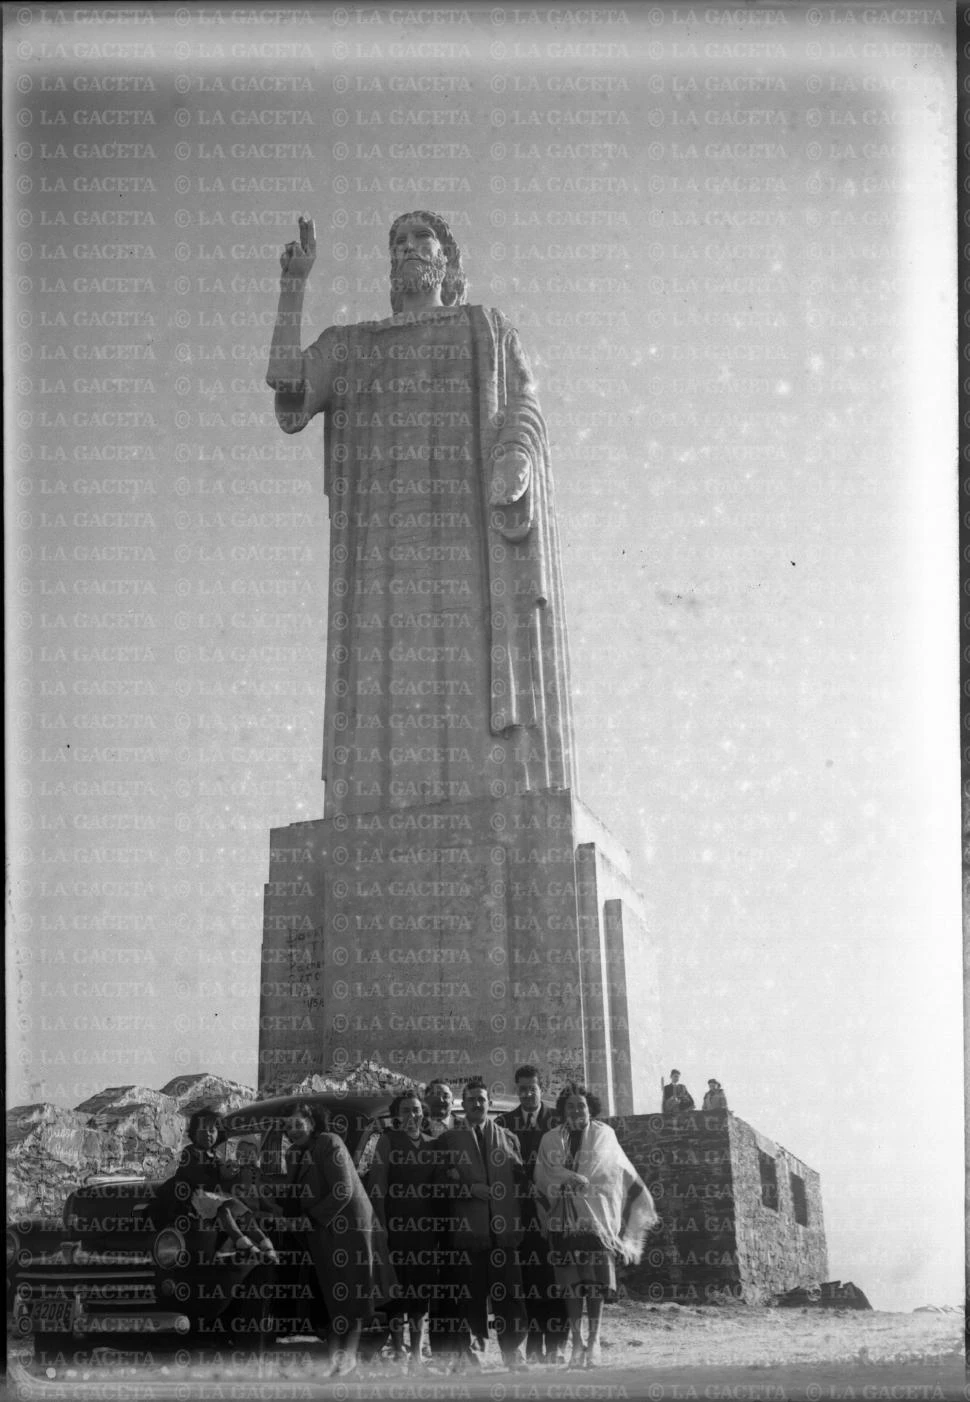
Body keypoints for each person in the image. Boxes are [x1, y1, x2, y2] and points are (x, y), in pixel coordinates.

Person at [266, 211, 576, 817]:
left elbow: (524, 399)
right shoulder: (353, 347)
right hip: (381, 550)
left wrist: (515, 454)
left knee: (473, 662)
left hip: (469, 537)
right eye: (398, 241)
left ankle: (497, 795)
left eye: (421, 238)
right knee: (389, 675)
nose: (409, 248)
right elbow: (285, 379)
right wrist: (294, 284)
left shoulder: (485, 329)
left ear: (447, 260)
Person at [534, 1084, 657, 1371]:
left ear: (590, 1108)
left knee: (594, 1284)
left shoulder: (605, 1135)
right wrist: (567, 1178)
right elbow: (542, 1174)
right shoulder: (550, 1139)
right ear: (563, 1110)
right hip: (563, 1220)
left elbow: (614, 1173)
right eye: (571, 1106)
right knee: (571, 1284)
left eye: (582, 1105)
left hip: (597, 1220)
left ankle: (595, 1339)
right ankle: (576, 1342)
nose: (576, 1110)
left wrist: (585, 1183)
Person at [281, 1102, 397, 1376]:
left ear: (312, 1122)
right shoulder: (295, 1154)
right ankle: (334, 1359)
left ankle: (348, 1359)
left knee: (352, 1298)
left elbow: (343, 1189)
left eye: (298, 1124)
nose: (293, 1131)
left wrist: (311, 1217)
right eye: (287, 1127)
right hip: (323, 1234)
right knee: (334, 1298)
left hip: (350, 1233)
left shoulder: (329, 1143)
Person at [435, 1077, 528, 1372]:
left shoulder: (508, 1138)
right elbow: (439, 1186)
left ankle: (514, 1354)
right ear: (464, 1104)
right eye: (472, 1099)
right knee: (470, 1298)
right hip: (469, 1234)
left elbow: (521, 1183)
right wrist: (468, 1190)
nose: (477, 1104)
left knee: (510, 1297)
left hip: (504, 1235)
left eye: (482, 1099)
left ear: (489, 1104)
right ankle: (470, 1356)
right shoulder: (449, 1140)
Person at [496, 1065, 566, 1365]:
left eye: (532, 1088)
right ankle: (534, 1345)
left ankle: (556, 1345)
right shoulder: (504, 1122)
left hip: (555, 1212)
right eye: (522, 1089)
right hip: (522, 1215)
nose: (526, 1094)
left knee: (557, 1279)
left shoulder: (557, 1120)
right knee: (529, 1282)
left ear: (542, 1087)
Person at [367, 1091, 440, 1370]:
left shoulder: (433, 1145)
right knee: (398, 1292)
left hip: (425, 1230)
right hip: (396, 1229)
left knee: (420, 1292)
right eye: (407, 1110)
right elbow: (377, 1186)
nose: (413, 1115)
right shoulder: (387, 1141)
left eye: (417, 1110)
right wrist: (381, 1227)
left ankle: (418, 1355)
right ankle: (398, 1350)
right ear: (397, 1116)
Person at [161, 1109, 265, 1259]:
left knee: (241, 1210)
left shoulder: (215, 1155)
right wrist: (220, 1179)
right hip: (196, 1197)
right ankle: (240, 1241)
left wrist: (230, 1171)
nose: (208, 1134)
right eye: (202, 1130)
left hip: (214, 1195)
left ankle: (263, 1242)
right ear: (194, 1133)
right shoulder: (190, 1152)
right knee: (224, 1209)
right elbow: (198, 1177)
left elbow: (222, 1175)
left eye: (212, 1130)